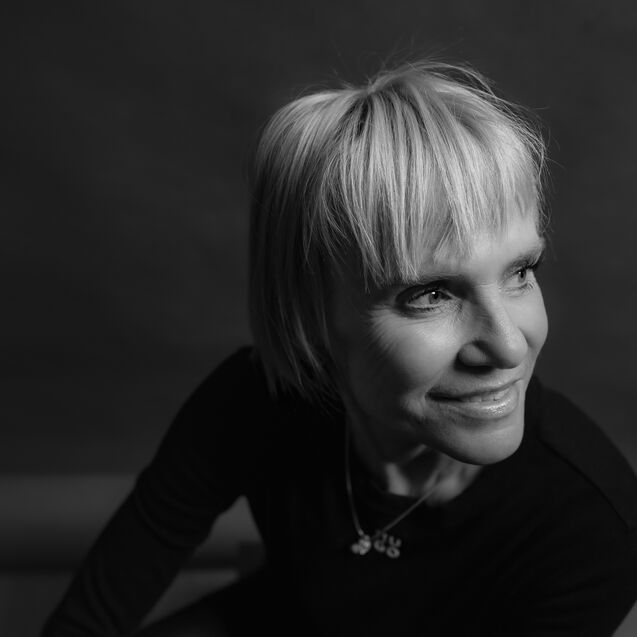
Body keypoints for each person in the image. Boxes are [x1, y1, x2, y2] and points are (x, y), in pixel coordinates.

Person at [42, 60, 637, 636]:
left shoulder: (592, 528)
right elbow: (94, 612)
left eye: (521, 271)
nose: (508, 345)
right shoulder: (256, 398)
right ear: (310, 311)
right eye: (431, 293)